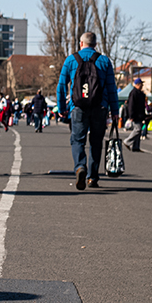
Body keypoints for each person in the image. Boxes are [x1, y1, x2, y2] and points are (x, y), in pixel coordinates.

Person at [56, 32, 120, 190]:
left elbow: (61, 86)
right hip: (100, 107)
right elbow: (112, 88)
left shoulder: (71, 60)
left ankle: (80, 167)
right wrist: (115, 110)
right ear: (95, 45)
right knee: (96, 142)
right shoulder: (104, 61)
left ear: (81, 43)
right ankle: (93, 177)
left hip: (78, 107)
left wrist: (62, 108)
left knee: (77, 140)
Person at [123, 78, 147, 152]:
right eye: (140, 84)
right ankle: (127, 141)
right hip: (136, 115)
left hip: (140, 114)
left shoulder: (140, 93)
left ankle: (136, 147)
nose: (142, 86)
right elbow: (131, 105)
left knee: (139, 131)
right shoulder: (134, 93)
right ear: (137, 85)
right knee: (137, 129)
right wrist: (131, 115)